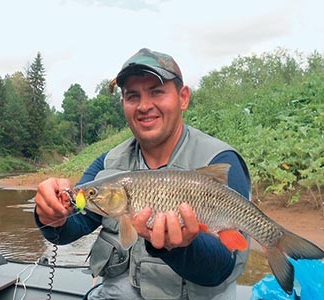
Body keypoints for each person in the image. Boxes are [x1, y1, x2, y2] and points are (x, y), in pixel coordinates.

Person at [34, 48, 251, 300]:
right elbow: (74, 225)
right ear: (123, 104)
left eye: (157, 92)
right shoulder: (109, 162)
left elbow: (221, 268)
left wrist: (179, 248)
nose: (144, 106)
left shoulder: (221, 159)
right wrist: (50, 215)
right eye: (132, 96)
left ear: (183, 97)